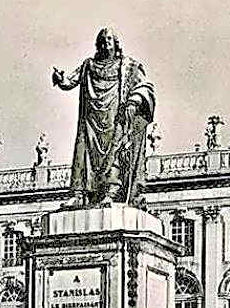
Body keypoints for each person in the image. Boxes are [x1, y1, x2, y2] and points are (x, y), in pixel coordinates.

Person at [52, 27, 155, 208]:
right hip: (92, 119)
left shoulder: (128, 65)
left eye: (109, 39)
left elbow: (144, 86)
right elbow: (70, 81)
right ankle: (79, 194)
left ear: (116, 43)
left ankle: (111, 192)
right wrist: (60, 79)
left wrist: (134, 101)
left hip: (116, 116)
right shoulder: (88, 65)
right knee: (85, 155)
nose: (105, 42)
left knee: (114, 151)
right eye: (102, 39)